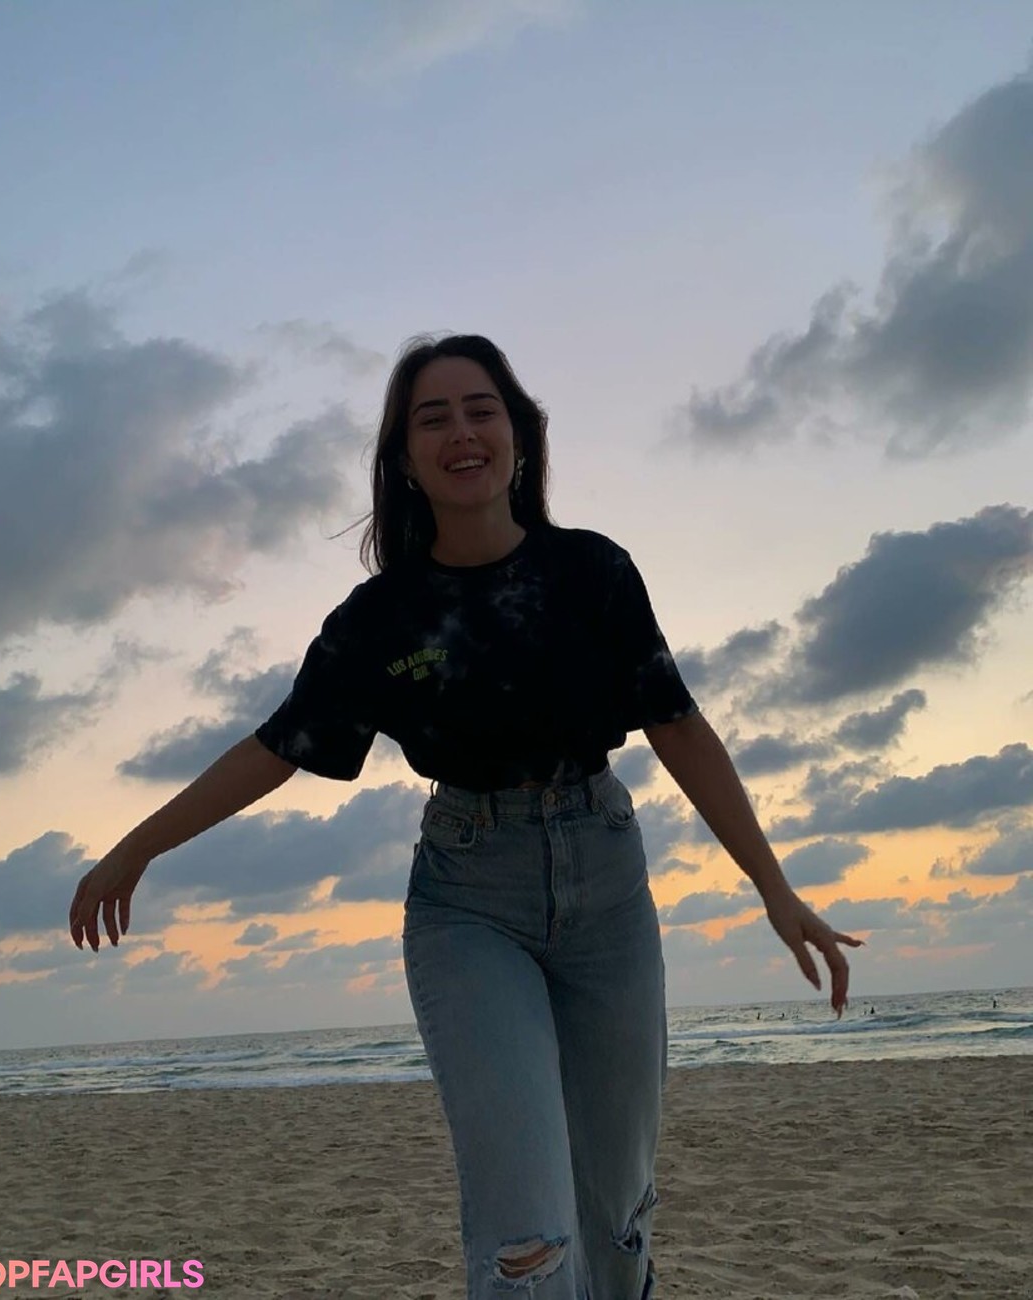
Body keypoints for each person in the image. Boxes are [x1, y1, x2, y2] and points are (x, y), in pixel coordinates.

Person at [69, 333, 863, 1300]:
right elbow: (278, 747)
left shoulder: (593, 573)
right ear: (405, 459)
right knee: (528, 1230)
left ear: (519, 435)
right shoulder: (380, 618)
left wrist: (776, 890)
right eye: (432, 419)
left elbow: (679, 727)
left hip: (607, 885)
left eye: (481, 410)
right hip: (467, 902)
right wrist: (135, 848)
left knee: (615, 1212)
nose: (461, 433)